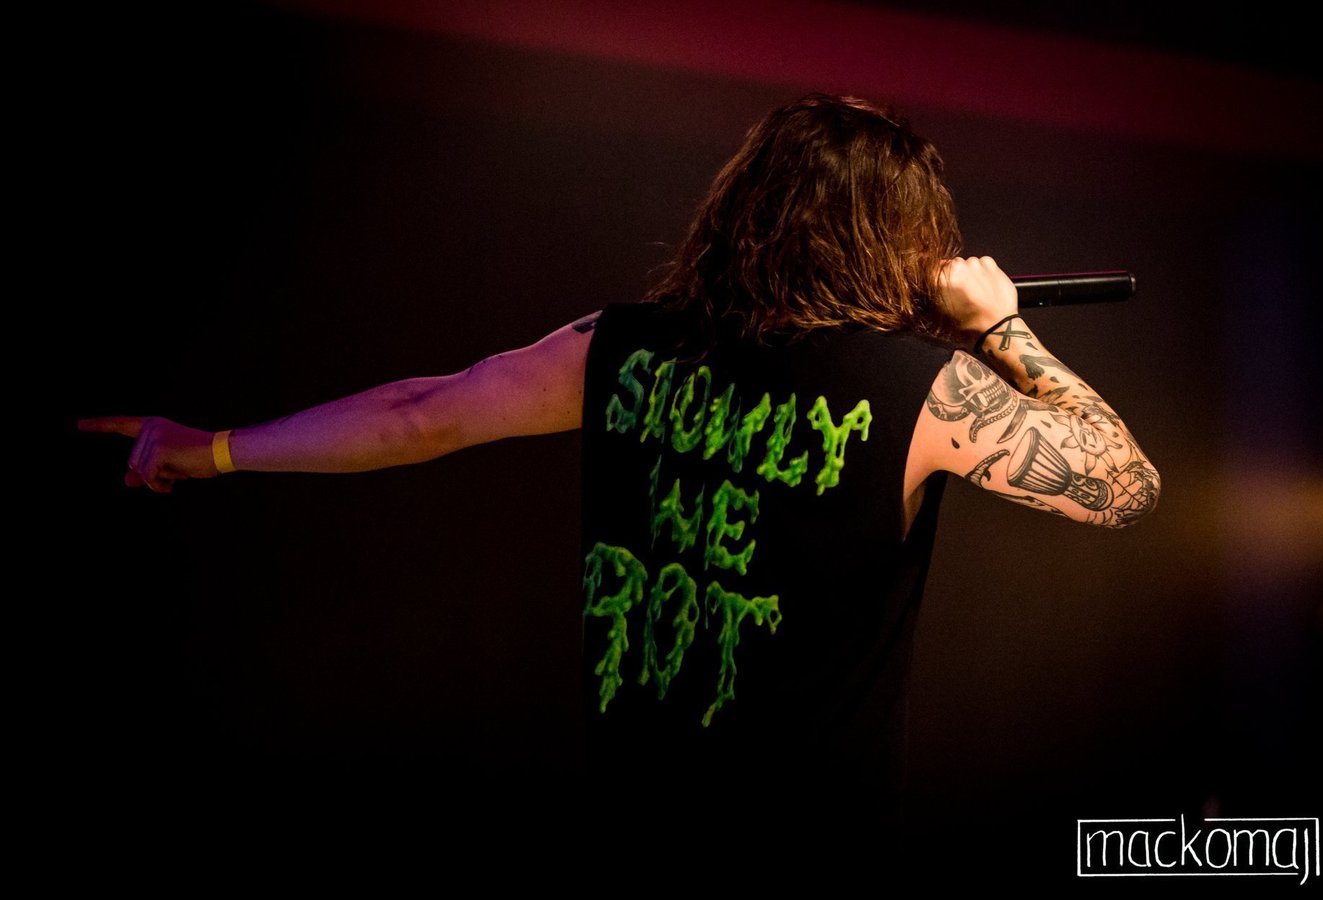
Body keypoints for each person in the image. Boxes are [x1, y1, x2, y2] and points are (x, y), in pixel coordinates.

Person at [79, 93, 1159, 843]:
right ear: (905, 238)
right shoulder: (924, 391)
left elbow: (417, 416)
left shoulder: (619, 347)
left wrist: (212, 449)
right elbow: (1125, 482)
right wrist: (1002, 325)